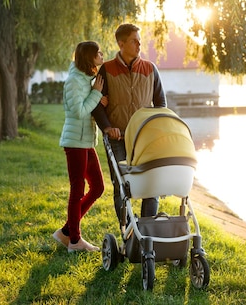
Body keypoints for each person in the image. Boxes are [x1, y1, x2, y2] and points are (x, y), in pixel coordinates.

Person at [93, 23, 166, 221]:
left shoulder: (151, 69)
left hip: (145, 139)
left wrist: (155, 129)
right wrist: (107, 127)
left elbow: (160, 103)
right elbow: (96, 104)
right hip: (118, 139)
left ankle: (146, 229)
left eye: (139, 40)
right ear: (121, 43)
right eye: (134, 40)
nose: (139, 44)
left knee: (151, 183)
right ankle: (126, 230)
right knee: (121, 184)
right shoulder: (106, 70)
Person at [53, 41, 106, 252]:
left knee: (98, 187)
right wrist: (96, 94)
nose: (102, 55)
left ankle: (66, 231)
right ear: (88, 57)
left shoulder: (87, 79)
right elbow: (79, 111)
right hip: (75, 143)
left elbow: (90, 102)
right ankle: (74, 241)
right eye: (98, 53)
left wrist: (98, 96)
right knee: (78, 190)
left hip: (85, 142)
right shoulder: (74, 81)